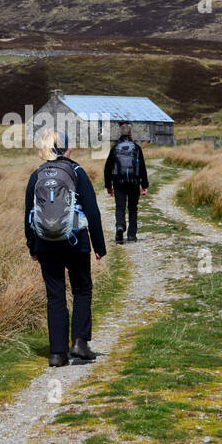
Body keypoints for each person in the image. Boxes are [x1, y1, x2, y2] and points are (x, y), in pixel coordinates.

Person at [26, 130, 107, 367]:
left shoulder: (36, 175)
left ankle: (57, 353)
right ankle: (80, 344)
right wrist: (98, 246)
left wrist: (33, 245)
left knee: (55, 295)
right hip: (76, 241)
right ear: (68, 149)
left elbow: (28, 214)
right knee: (82, 289)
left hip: (45, 244)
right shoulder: (77, 172)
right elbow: (92, 211)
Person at [103, 123, 149, 243]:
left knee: (120, 207)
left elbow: (108, 167)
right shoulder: (136, 148)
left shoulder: (115, 148)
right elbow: (142, 167)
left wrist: (108, 185)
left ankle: (120, 226)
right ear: (131, 134)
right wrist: (144, 185)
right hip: (134, 182)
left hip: (118, 182)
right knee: (133, 208)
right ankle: (132, 235)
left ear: (120, 134)